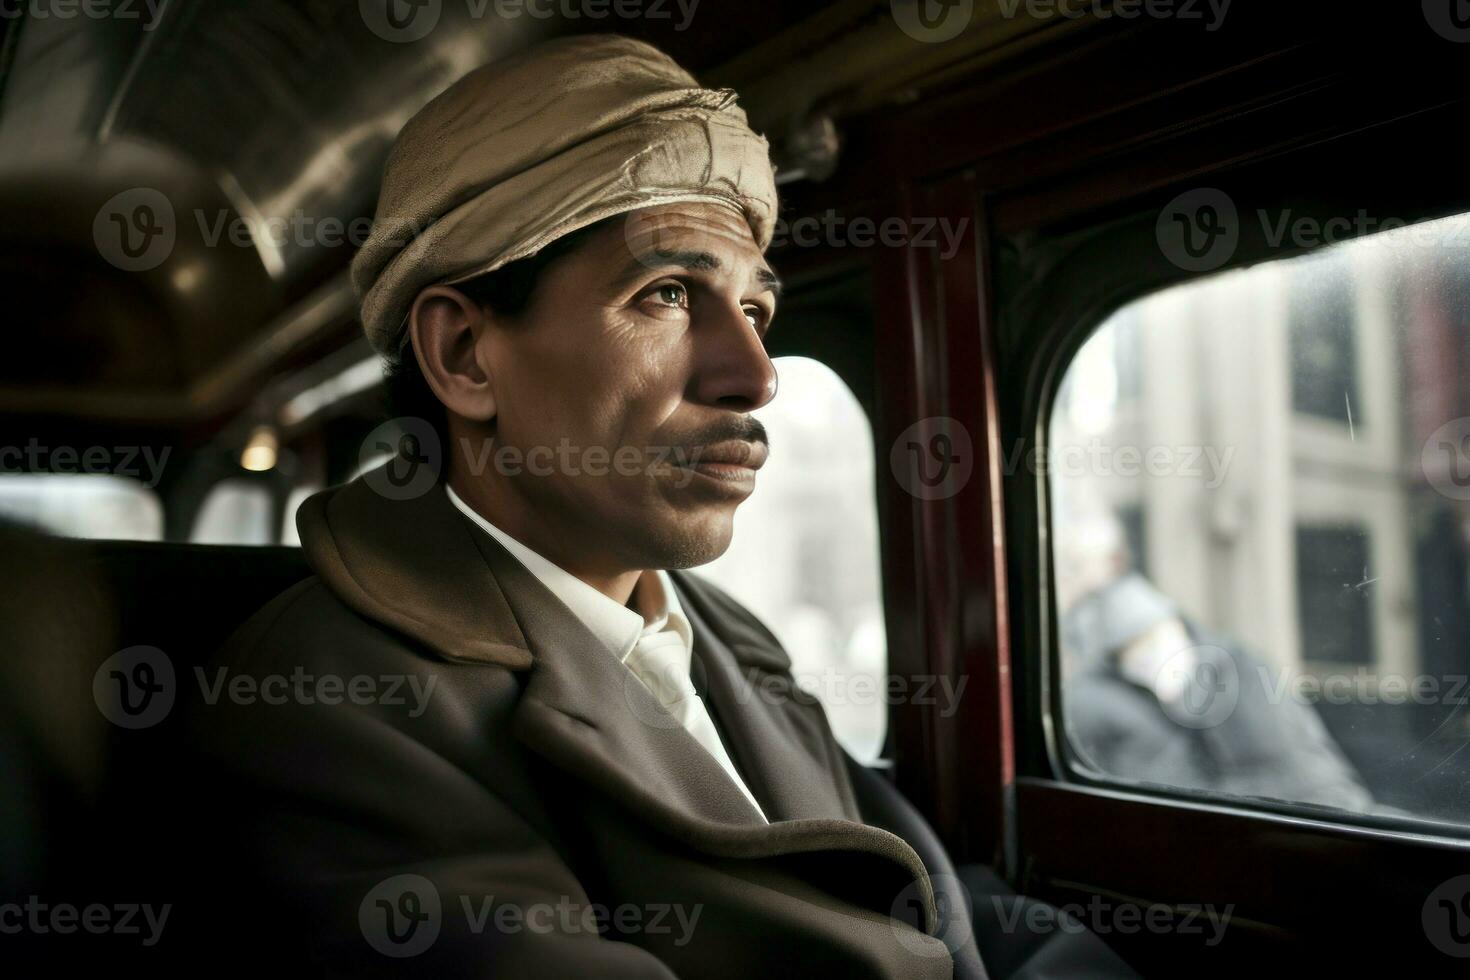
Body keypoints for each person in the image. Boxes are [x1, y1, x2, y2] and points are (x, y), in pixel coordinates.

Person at [188, 35, 1134, 978]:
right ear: (466, 356)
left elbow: (933, 904)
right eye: (668, 294)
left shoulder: (720, 635)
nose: (756, 377)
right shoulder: (330, 706)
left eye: (755, 311)